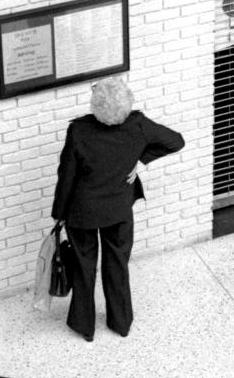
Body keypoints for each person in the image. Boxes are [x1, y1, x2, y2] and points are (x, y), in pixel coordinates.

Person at [51, 77, 184, 342]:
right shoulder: (138, 126)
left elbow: (66, 176)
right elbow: (176, 141)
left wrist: (59, 213)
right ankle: (120, 322)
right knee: (117, 265)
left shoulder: (79, 131)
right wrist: (140, 159)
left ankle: (84, 325)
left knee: (83, 267)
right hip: (119, 210)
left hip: (82, 213)